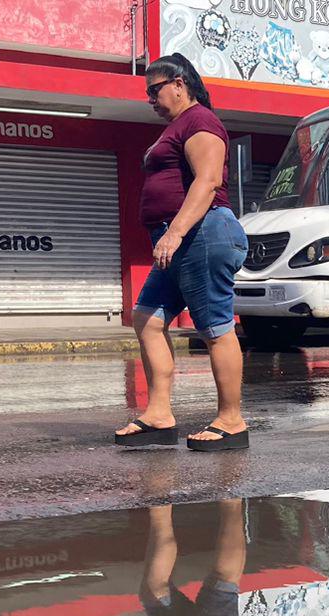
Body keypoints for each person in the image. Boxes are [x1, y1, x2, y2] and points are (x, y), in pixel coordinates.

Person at [115, 54, 251, 452]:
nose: (150, 100)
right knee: (147, 319)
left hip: (201, 233)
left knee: (215, 328)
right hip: (180, 238)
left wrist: (174, 233)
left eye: (154, 90)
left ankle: (232, 420)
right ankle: (159, 414)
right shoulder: (177, 127)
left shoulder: (200, 121)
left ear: (179, 83)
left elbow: (207, 182)